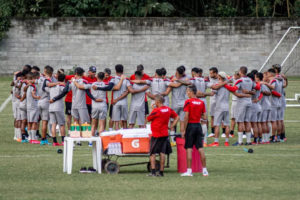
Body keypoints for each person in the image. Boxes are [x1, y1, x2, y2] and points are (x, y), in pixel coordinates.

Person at [147, 95, 179, 177]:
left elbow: (148, 119)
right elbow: (177, 117)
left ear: (157, 102)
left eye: (155, 101)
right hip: (165, 134)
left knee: (153, 153)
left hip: (156, 135)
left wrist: (152, 108)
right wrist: (172, 126)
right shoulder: (168, 109)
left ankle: (153, 172)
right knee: (162, 153)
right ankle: (161, 172)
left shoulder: (156, 110)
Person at [181, 85, 208, 177]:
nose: (187, 93)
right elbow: (205, 117)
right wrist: (197, 115)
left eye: (187, 91)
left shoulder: (188, 102)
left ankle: (189, 171)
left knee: (189, 148)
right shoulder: (201, 102)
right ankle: (204, 170)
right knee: (200, 148)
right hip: (198, 125)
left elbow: (186, 116)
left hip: (191, 126)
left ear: (191, 92)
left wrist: (183, 130)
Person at [190, 67, 212, 147]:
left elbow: (190, 87)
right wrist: (207, 94)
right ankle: (204, 141)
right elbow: (212, 86)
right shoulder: (205, 80)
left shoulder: (192, 80)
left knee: (193, 120)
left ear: (193, 72)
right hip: (203, 101)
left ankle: (193, 140)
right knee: (204, 120)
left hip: (195, 101)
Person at [208, 72, 231, 147]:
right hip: (227, 106)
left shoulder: (217, 85)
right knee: (227, 124)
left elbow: (212, 93)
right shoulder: (228, 85)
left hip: (219, 106)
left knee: (217, 125)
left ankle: (216, 142)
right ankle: (226, 142)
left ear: (220, 76)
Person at [261, 68, 282, 143]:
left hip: (273, 102)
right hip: (279, 102)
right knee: (278, 120)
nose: (267, 75)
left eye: (268, 74)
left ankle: (273, 137)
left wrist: (265, 83)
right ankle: (278, 137)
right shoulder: (279, 80)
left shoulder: (273, 80)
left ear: (271, 73)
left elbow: (272, 88)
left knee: (273, 121)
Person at [48, 74, 69, 146]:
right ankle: (63, 141)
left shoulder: (52, 85)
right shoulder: (61, 86)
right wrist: (67, 84)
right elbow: (65, 91)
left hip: (51, 107)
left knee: (53, 124)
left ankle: (54, 142)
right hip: (58, 106)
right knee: (62, 124)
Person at [110, 64, 131, 130]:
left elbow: (112, 88)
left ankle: (117, 137)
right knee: (124, 121)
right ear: (123, 70)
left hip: (116, 102)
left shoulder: (113, 79)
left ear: (115, 71)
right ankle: (125, 137)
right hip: (124, 102)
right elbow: (128, 91)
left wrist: (117, 99)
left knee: (116, 122)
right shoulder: (126, 79)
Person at [207, 67, 219, 138]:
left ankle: (223, 132)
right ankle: (212, 132)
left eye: (211, 73)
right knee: (212, 115)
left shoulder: (220, 78)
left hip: (219, 99)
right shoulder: (209, 78)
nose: (210, 74)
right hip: (212, 99)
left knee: (221, 116)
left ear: (215, 73)